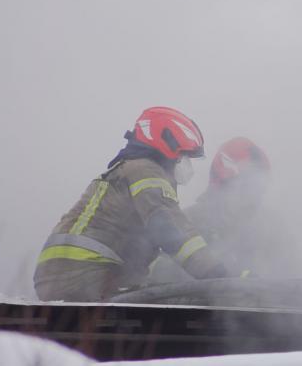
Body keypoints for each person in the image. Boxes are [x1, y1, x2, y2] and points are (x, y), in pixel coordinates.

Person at [34, 107, 228, 302]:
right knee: (178, 305)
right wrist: (219, 275)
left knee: (163, 290)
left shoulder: (129, 169)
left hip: (61, 275)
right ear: (167, 144)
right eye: (185, 157)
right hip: (88, 274)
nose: (188, 165)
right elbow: (169, 228)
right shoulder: (146, 169)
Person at [146, 136, 271, 283]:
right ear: (221, 185)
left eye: (257, 189)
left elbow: (290, 273)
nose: (252, 198)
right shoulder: (186, 222)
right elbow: (156, 273)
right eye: (244, 187)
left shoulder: (270, 228)